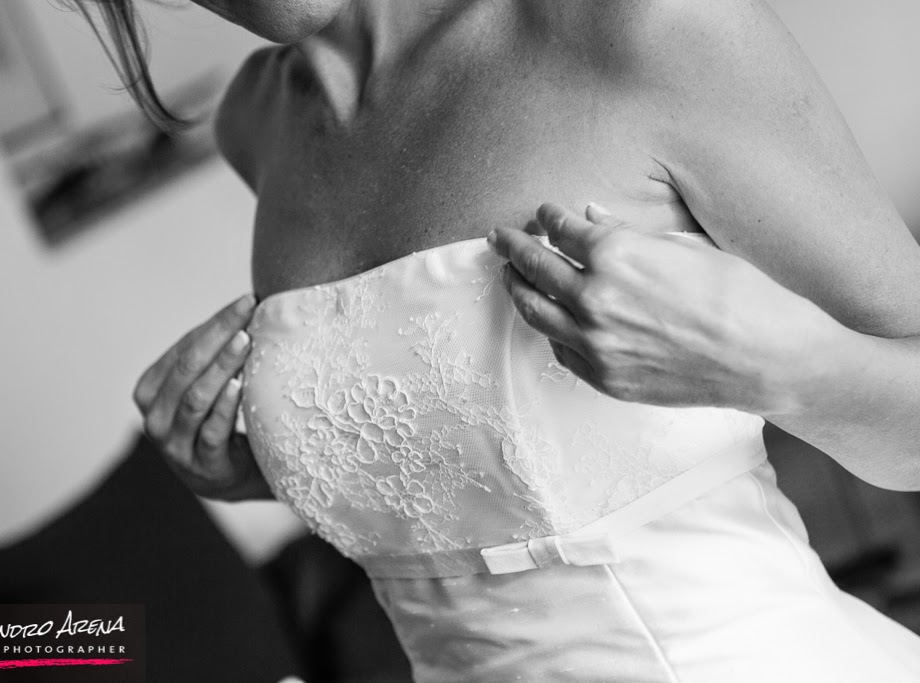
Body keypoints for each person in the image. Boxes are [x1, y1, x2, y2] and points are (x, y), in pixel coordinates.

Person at [74, 0, 920, 679]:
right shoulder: (256, 123)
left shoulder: (644, 27)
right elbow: (456, 473)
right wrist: (267, 471)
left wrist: (765, 366)